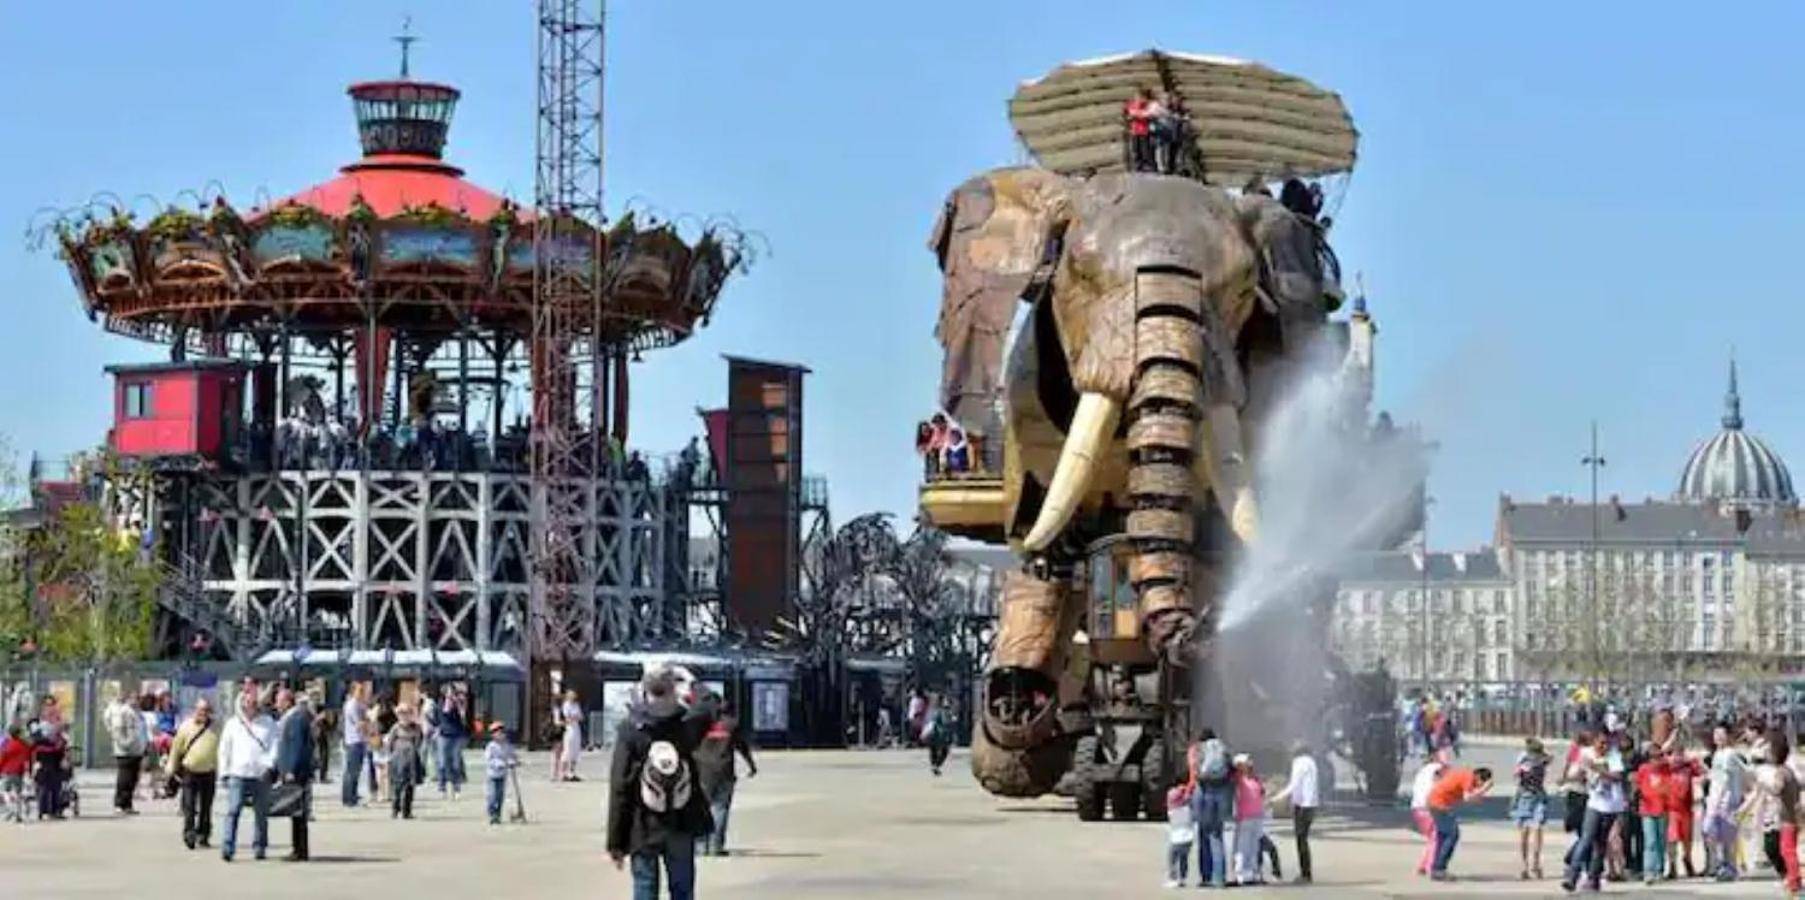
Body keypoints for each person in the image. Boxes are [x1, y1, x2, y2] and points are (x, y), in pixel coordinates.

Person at [607, 666, 715, 900]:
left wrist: (615, 841)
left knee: (645, 888)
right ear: (673, 688)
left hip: (642, 824)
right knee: (682, 890)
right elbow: (711, 705)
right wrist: (692, 681)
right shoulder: (686, 723)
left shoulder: (631, 729)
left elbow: (620, 787)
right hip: (681, 820)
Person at [1562, 731, 1627, 893]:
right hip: (1594, 803)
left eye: (1607, 744)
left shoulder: (1614, 756)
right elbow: (1580, 773)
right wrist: (1570, 779)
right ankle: (1572, 876)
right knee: (1586, 838)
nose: (1604, 747)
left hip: (1612, 805)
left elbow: (1617, 777)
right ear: (1594, 742)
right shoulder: (1586, 753)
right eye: (1601, 743)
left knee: (1600, 843)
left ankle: (1594, 878)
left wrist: (1597, 768)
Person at [217, 691, 277, 863]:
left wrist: (269, 765)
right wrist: (224, 773)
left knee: (261, 813)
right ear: (242, 705)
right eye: (247, 703)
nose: (250, 706)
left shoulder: (268, 723)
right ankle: (228, 847)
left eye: (253, 703)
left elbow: (275, 745)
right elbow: (224, 750)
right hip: (238, 773)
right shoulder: (232, 724)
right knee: (233, 810)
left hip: (260, 774)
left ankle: (260, 846)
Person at [694, 698, 758, 856]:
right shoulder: (731, 725)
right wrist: (751, 765)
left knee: (700, 809)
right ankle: (716, 845)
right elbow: (742, 746)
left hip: (703, 770)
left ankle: (701, 846)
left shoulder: (700, 724)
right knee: (720, 808)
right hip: (725, 771)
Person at [1426, 764, 1495, 881]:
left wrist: (1480, 792)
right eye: (1481, 783)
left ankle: (1437, 868)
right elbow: (1468, 798)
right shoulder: (1469, 777)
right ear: (1478, 776)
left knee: (1443, 836)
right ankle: (1439, 869)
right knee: (1452, 835)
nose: (1479, 786)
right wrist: (1484, 789)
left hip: (1436, 802)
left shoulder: (1466, 775)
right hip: (1439, 804)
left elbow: (1472, 799)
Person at [166, 699, 219, 849]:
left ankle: (203, 834)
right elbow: (176, 749)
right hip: (190, 771)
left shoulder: (215, 728)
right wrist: (171, 768)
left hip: (208, 772)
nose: (202, 713)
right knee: (189, 805)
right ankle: (189, 834)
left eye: (206, 710)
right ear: (195, 710)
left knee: (206, 806)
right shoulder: (186, 727)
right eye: (200, 710)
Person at [1265, 740, 1319, 884]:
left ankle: (1305, 874)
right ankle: (1306, 873)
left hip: (1302, 806)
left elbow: (1293, 786)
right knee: (1303, 840)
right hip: (1311, 804)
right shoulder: (1311, 762)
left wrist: (1274, 799)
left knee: (1301, 841)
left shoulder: (1299, 762)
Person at [273, 688, 313, 861]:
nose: (276, 704)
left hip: (296, 773)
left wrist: (290, 769)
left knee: (298, 812)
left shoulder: (295, 719)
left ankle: (300, 850)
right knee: (295, 811)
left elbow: (296, 746)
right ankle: (298, 848)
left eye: (279, 701)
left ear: (287, 702)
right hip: (294, 771)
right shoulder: (292, 717)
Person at [1189, 728, 1232, 888]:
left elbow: (1195, 772)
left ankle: (1206, 877)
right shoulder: (1223, 748)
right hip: (1220, 795)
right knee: (1217, 836)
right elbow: (1231, 771)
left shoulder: (1199, 750)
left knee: (1203, 836)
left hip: (1204, 794)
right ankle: (1219, 877)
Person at [1704, 724, 1747, 881]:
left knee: (1727, 837)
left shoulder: (1730, 754)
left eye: (1721, 734)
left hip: (1727, 801)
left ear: (1728, 736)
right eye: (1716, 734)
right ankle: (1722, 865)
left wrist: (1720, 801)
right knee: (1710, 832)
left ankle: (1730, 868)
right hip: (1715, 800)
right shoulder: (1717, 754)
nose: (1718, 737)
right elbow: (1716, 777)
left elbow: (1726, 779)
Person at [1513, 736, 1553, 879]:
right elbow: (1516, 775)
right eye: (1534, 753)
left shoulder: (1542, 760)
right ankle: (1524, 865)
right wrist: (1524, 765)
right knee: (1524, 831)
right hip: (1525, 797)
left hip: (1539, 796)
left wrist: (1539, 757)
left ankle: (1535, 863)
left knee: (1538, 828)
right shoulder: (1523, 762)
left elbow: (1550, 758)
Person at [104, 688, 148, 815]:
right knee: (124, 778)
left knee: (133, 779)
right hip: (125, 751)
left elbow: (141, 731)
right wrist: (125, 744)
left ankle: (128, 804)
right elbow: (117, 729)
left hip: (137, 750)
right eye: (134, 698)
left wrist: (143, 746)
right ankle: (119, 804)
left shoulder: (138, 713)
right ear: (129, 699)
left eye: (139, 698)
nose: (137, 701)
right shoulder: (123, 712)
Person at [1227, 755, 1266, 886]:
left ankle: (1241, 874)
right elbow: (1262, 793)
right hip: (1257, 816)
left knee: (1242, 847)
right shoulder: (1256, 780)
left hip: (1245, 817)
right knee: (1253, 847)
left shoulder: (1239, 780)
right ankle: (1252, 873)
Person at [1634, 744, 1670, 886]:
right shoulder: (1644, 769)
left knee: (1661, 841)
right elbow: (1638, 787)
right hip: (1647, 810)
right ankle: (1649, 871)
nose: (1657, 759)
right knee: (1650, 842)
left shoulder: (1666, 769)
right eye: (1654, 757)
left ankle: (1659, 870)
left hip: (1663, 809)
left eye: (1660, 756)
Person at [1664, 745, 1702, 878]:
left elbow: (1700, 770)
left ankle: (1688, 861)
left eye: (1680, 754)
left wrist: (1691, 759)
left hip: (1686, 809)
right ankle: (1672, 866)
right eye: (1675, 755)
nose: (1677, 758)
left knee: (1687, 839)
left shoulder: (1688, 768)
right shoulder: (1667, 768)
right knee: (1672, 839)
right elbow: (1660, 754)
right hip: (1671, 809)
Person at [385, 704, 425, 820]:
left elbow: (419, 742)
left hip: (411, 758)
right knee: (397, 785)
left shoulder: (416, 728)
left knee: (409, 786)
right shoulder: (395, 728)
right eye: (401, 713)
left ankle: (406, 811)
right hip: (398, 759)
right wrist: (393, 756)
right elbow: (390, 744)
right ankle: (395, 809)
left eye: (407, 713)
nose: (404, 716)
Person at [1409, 754, 1446, 876]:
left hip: (1416, 808)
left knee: (1433, 838)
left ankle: (1423, 865)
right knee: (1436, 838)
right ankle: (1431, 867)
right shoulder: (1436, 768)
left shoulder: (1421, 772)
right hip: (1427, 808)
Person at [31, 721, 69, 820]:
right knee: (55, 791)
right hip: (54, 770)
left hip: (42, 771)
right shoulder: (57, 746)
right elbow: (61, 756)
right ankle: (54, 811)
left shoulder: (37, 746)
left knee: (43, 791)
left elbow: (35, 759)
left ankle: (42, 811)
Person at [483, 722, 518, 826]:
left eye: (502, 733)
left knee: (500, 796)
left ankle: (497, 814)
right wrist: (500, 764)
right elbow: (489, 760)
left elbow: (512, 755)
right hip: (492, 774)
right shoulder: (491, 747)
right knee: (492, 795)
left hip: (503, 775)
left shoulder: (507, 745)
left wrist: (514, 761)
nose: (500, 735)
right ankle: (492, 813)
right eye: (497, 733)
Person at [437, 687, 470, 797]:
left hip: (456, 735)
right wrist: (449, 702)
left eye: (452, 693)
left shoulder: (459, 704)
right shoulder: (441, 703)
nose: (451, 695)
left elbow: (463, 718)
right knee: (442, 762)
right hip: (444, 735)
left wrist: (461, 706)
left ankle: (456, 787)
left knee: (456, 763)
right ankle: (442, 787)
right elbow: (445, 713)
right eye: (449, 693)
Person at [340, 684, 368, 807]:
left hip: (358, 740)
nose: (362, 693)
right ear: (353, 691)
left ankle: (353, 793)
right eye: (360, 691)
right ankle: (348, 797)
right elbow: (359, 723)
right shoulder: (352, 705)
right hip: (354, 741)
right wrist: (368, 722)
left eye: (362, 691)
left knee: (355, 770)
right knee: (351, 771)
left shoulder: (357, 704)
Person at [1165, 783, 1194, 889]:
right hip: (1188, 838)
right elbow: (1187, 797)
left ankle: (1173, 879)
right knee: (1183, 859)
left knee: (1172, 859)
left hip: (1176, 839)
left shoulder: (1172, 811)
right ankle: (1182, 878)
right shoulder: (1188, 809)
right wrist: (1185, 791)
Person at [0, 723, 31, 823]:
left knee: (5, 791)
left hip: (7, 771)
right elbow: (27, 758)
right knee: (18, 793)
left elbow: (3, 758)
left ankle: (11, 808)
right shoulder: (24, 745)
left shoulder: (7, 744)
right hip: (19, 771)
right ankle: (18, 813)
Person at [1124, 87, 1159, 173]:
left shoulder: (1146, 105)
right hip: (1135, 130)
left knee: (1144, 149)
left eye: (1140, 97)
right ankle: (1138, 165)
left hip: (1143, 130)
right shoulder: (1132, 105)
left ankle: (1146, 165)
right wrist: (1136, 114)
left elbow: (1147, 114)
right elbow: (1130, 113)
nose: (1138, 99)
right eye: (1137, 97)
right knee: (1136, 149)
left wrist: (1137, 114)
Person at [558, 689, 584, 782]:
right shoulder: (566, 705)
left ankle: (571, 772)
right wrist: (573, 718)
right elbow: (567, 717)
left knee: (575, 751)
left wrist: (576, 717)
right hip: (569, 729)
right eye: (572, 696)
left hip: (576, 728)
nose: (573, 697)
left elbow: (581, 717)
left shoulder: (576, 705)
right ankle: (562, 773)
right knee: (567, 751)